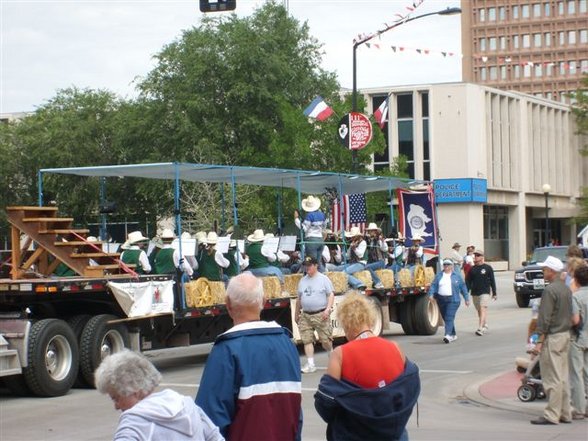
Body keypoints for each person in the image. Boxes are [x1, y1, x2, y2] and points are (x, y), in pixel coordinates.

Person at [196, 272, 302, 440]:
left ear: (228, 304)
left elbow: (208, 422)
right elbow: (296, 414)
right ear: (264, 301)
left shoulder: (226, 350)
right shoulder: (287, 344)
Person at [314, 293, 420, 441]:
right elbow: (409, 387)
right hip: (393, 432)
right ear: (370, 318)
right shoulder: (395, 348)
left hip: (355, 433)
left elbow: (324, 403)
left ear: (346, 323)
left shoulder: (340, 354)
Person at [95, 349, 223, 441]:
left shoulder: (133, 424)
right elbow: (215, 437)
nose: (116, 406)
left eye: (116, 398)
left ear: (134, 389)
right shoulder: (186, 404)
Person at [530, 256, 573, 425]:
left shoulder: (550, 290)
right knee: (562, 376)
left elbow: (545, 318)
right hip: (565, 334)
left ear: (551, 271)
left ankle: (552, 414)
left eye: (545, 269)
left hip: (553, 336)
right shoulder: (566, 289)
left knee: (552, 377)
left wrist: (539, 341)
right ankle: (564, 412)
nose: (543, 271)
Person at [295, 256, 335, 374]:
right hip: (306, 314)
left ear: (316, 265)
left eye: (310, 265)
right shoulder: (302, 280)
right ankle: (311, 364)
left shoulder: (323, 279)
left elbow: (330, 295)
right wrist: (296, 313)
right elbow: (299, 298)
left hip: (321, 313)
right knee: (306, 339)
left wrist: (328, 309)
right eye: (306, 266)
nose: (308, 268)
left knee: (325, 341)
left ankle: (332, 357)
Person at [429, 259, 470, 343]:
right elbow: (433, 285)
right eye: (444, 265)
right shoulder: (439, 275)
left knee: (449, 317)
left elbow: (463, 287)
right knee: (446, 318)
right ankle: (453, 334)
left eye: (448, 265)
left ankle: (447, 335)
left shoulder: (457, 276)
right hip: (441, 300)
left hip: (453, 300)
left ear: (452, 266)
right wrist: (431, 294)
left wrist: (466, 298)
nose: (446, 266)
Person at [569, 263, 588, 420]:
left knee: (576, 373)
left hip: (578, 337)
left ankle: (579, 408)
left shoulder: (575, 297)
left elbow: (575, 319)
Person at [465, 249, 496, 336]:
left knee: (483, 308)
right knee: (479, 311)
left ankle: (480, 328)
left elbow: (492, 281)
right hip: (475, 292)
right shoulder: (472, 269)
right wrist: (466, 293)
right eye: (475, 255)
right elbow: (467, 281)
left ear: (482, 257)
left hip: (485, 292)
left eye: (478, 255)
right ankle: (484, 324)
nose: (476, 257)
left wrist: (494, 292)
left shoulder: (488, 268)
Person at [294, 195, 326, 272]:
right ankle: (323, 277)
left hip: (311, 240)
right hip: (320, 239)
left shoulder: (309, 215)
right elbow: (324, 227)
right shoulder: (322, 215)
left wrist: (296, 219)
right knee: (318, 263)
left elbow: (304, 228)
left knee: (311, 263)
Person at [331, 226, 368, 290]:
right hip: (352, 263)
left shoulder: (363, 242)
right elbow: (348, 256)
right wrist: (340, 253)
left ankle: (359, 284)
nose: (352, 237)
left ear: (357, 236)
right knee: (337, 269)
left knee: (344, 273)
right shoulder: (352, 243)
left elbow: (360, 255)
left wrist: (354, 248)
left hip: (360, 263)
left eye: (353, 236)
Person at [363, 223, 387, 289]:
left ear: (375, 232)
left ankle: (378, 282)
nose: (371, 232)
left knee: (367, 267)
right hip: (372, 262)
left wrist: (382, 241)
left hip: (380, 261)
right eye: (370, 231)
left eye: (373, 231)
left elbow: (385, 249)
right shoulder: (370, 240)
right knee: (362, 267)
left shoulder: (379, 240)